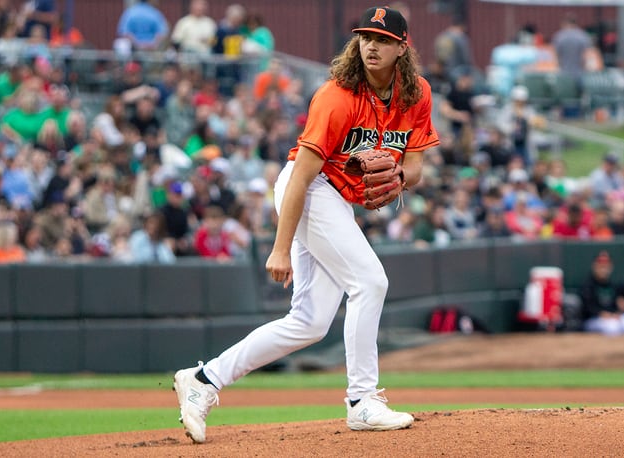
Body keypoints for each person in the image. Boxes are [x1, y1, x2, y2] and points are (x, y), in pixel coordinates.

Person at [173, 6, 438, 443]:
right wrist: (280, 248)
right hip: (309, 190)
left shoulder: (416, 93)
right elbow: (299, 176)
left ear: (401, 48)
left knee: (310, 323)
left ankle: (203, 379)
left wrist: (396, 174)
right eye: (365, 37)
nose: (371, 45)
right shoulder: (336, 97)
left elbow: (415, 165)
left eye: (383, 39)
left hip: (335, 200)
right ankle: (362, 401)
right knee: (370, 282)